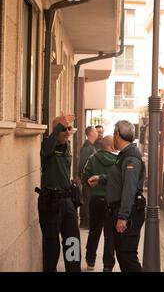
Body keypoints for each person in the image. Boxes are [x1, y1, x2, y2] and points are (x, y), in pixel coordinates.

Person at [88, 120, 146, 272]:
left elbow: (129, 188)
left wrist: (123, 217)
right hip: (121, 210)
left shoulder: (131, 157)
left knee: (128, 257)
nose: (113, 137)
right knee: (123, 256)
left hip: (129, 213)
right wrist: (101, 178)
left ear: (117, 135)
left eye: (114, 134)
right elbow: (120, 179)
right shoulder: (124, 155)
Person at [38, 113, 81, 272]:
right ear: (56, 129)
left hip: (67, 201)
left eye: (69, 128)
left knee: (72, 241)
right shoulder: (48, 146)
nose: (67, 131)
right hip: (51, 201)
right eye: (63, 129)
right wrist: (57, 129)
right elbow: (47, 148)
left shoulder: (67, 145)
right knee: (51, 245)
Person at [82, 136, 117, 272]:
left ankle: (90, 260)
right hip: (111, 202)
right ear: (111, 146)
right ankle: (108, 266)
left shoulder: (93, 158)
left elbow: (85, 177)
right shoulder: (117, 161)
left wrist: (89, 184)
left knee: (94, 231)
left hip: (96, 200)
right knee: (110, 234)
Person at [78, 126, 98, 228]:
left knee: (87, 200)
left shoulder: (91, 146)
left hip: (89, 179)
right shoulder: (88, 147)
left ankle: (86, 221)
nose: (97, 132)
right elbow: (82, 164)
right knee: (87, 200)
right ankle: (86, 222)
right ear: (90, 133)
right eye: (95, 130)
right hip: (87, 179)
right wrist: (82, 177)